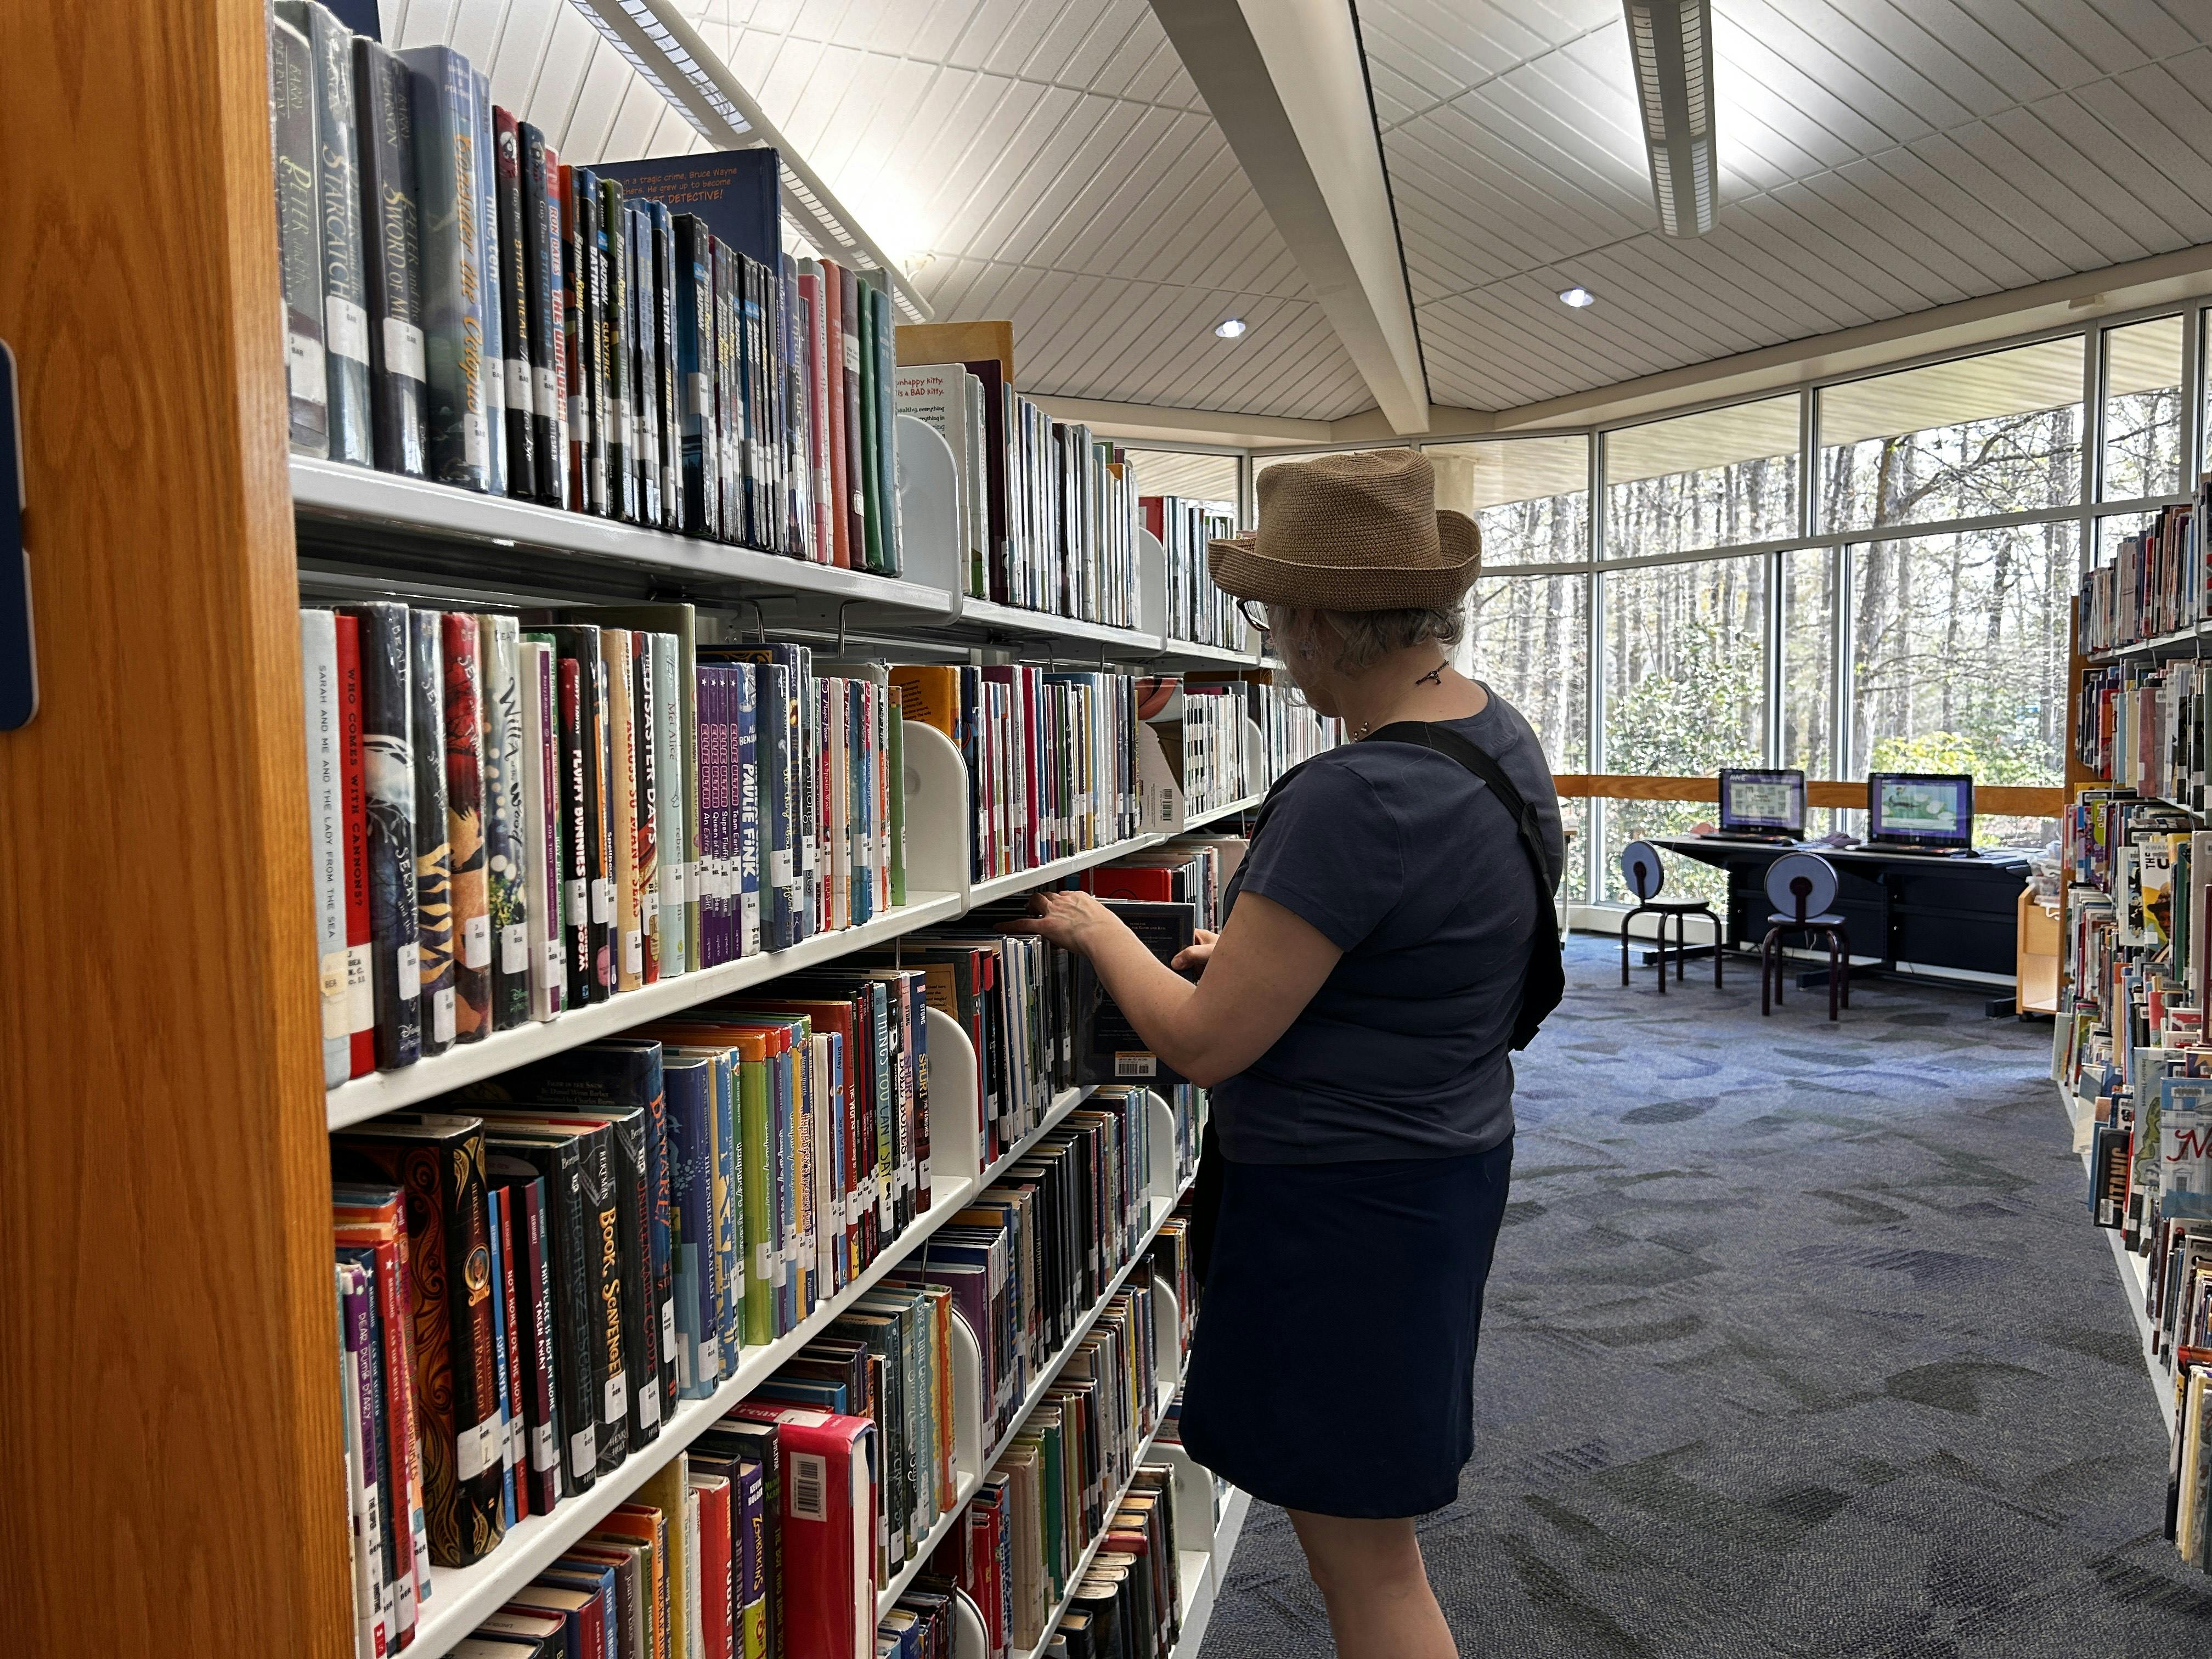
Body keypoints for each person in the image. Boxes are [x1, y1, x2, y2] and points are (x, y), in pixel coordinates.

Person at [1012, 449, 1562, 1659]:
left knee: (1366, 1564)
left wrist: (1102, 929)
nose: (1275, 652)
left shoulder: (1351, 792)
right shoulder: (1496, 739)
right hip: (1441, 1165)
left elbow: (1204, 1046)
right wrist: (1273, 962)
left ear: (1319, 623)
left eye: (1275, 624)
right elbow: (1427, 948)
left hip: (1342, 1205)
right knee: (1368, 1534)